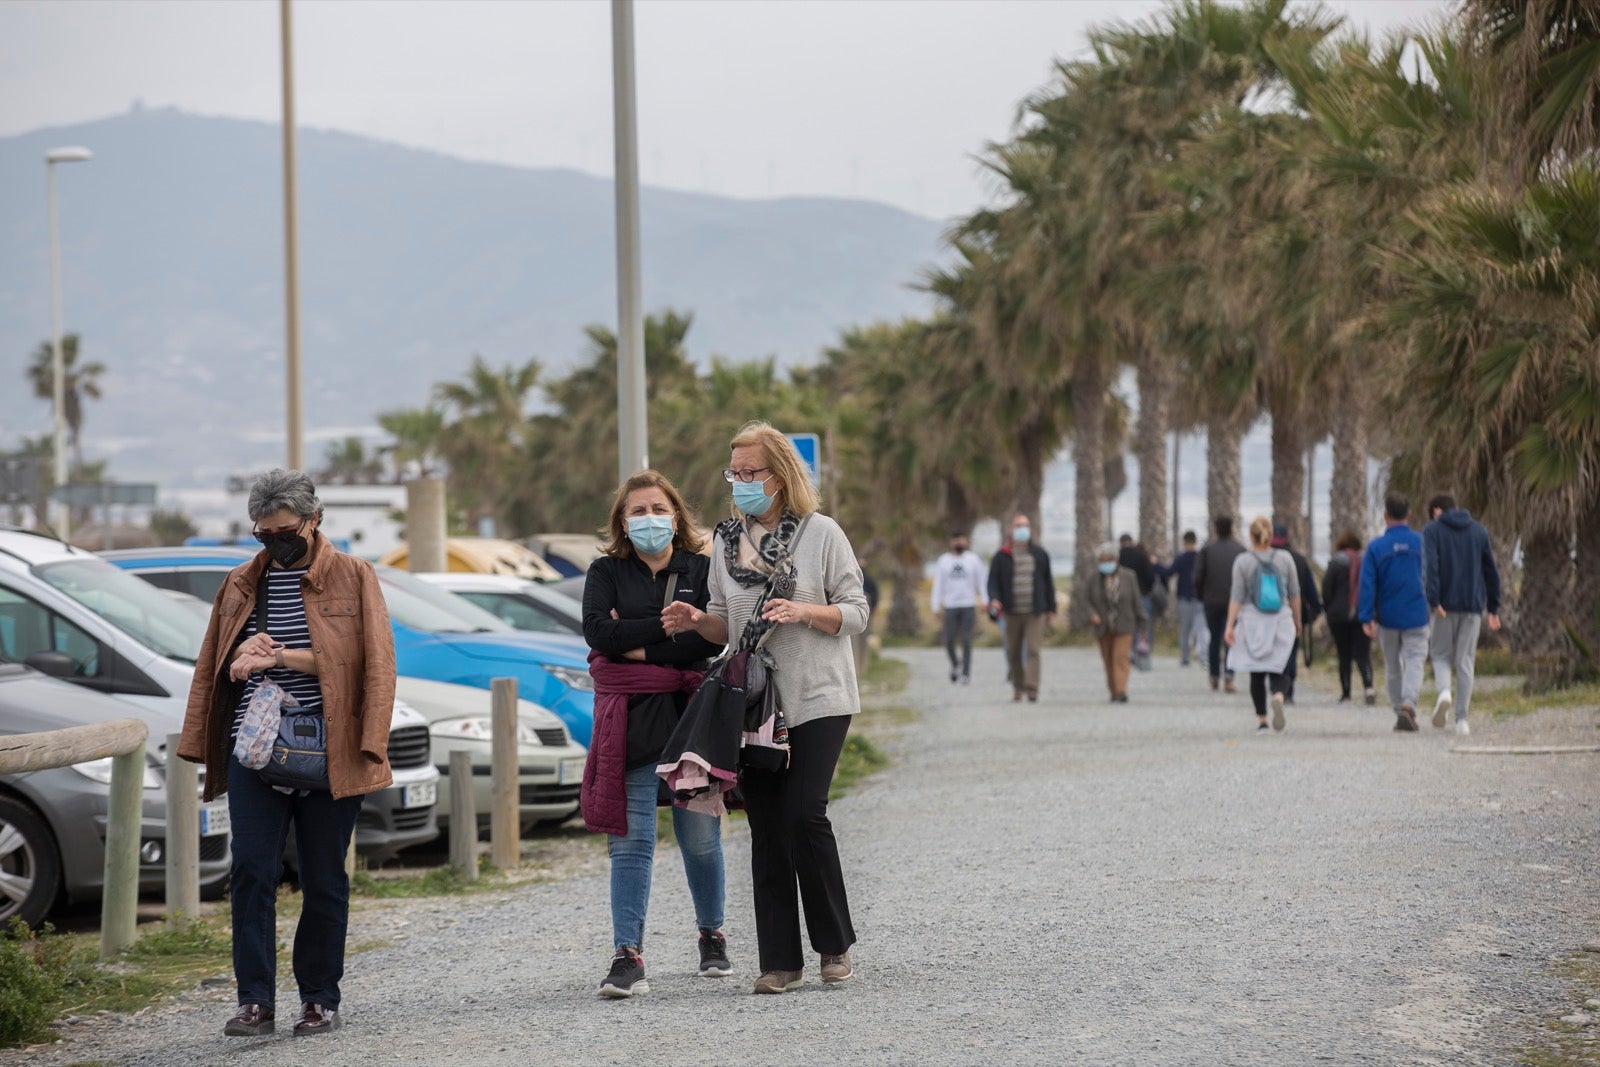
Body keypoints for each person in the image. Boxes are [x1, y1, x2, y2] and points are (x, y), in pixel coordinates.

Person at [178, 469, 395, 1038]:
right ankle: (255, 1002)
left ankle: (319, 998)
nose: (275, 542)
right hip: (256, 747)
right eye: (263, 533)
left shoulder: (354, 576)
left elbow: (371, 667)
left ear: (314, 519)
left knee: (323, 877)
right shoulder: (240, 584)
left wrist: (283, 659)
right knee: (251, 870)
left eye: (285, 530)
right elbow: (216, 669)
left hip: (331, 749)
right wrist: (243, 655)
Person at [662, 421, 870, 995]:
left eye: (753, 472)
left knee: (806, 813)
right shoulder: (723, 543)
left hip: (820, 694)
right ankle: (780, 962)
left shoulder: (822, 533)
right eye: (736, 473)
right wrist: (696, 622)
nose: (743, 482)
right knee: (768, 827)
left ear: (781, 476)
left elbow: (855, 611)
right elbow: (724, 623)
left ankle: (833, 946)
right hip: (753, 702)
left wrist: (803, 611)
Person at [580, 470, 728, 999]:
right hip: (631, 720)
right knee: (631, 841)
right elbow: (599, 634)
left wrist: (635, 642)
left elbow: (714, 640)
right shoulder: (605, 571)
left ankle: (713, 935)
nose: (649, 519)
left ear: (676, 514)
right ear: (622, 520)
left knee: (699, 838)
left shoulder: (704, 569)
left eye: (657, 509)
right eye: (637, 511)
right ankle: (628, 954)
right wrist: (671, 628)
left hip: (692, 719)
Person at [1422, 494, 1502, 736]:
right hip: (1472, 607)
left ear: (1437, 510)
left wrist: (1434, 601)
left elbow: (1432, 567)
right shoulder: (1478, 531)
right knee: (1465, 661)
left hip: (1444, 607)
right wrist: (1494, 608)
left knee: (1440, 655)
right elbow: (1491, 570)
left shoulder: (1432, 530)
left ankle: (1444, 691)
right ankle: (1461, 721)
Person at [1359, 493, 1431, 732]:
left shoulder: (1376, 547)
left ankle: (1399, 710)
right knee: (1414, 660)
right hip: (1417, 612)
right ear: (1409, 514)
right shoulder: (1422, 543)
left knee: (1392, 665)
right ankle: (1409, 703)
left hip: (1387, 616)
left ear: (1385, 515)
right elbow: (1433, 576)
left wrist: (1366, 616)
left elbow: (1367, 584)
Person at [1225, 517, 1302, 732]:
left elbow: (1237, 596)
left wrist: (1229, 626)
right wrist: (1297, 620)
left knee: (1256, 672)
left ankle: (1262, 719)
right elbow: (1294, 593)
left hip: (1253, 620)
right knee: (1281, 667)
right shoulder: (1285, 559)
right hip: (1281, 619)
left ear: (1251, 536)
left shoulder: (1243, 561)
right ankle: (1278, 695)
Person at [987, 513, 1057, 702]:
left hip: (1035, 612)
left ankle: (1032, 687)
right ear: (1011, 529)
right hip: (1011, 612)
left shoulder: (1040, 554)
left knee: (1033, 649)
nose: (1022, 529)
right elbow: (992, 582)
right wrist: (994, 599)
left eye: (1025, 525)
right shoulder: (1002, 556)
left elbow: (1048, 583)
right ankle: (1018, 686)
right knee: (1014, 651)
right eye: (1018, 526)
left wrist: (1051, 608)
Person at [1082, 542, 1146, 703]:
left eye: (1109, 560)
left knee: (1120, 657)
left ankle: (1121, 691)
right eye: (1102, 561)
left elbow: (1136, 600)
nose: (1106, 564)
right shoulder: (1093, 579)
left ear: (1116, 560)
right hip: (1103, 626)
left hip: (1125, 624)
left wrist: (1142, 620)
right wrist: (1092, 614)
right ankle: (1113, 690)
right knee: (1108, 659)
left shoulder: (1129, 576)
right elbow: (1086, 600)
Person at [1321, 530, 1377, 705]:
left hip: (1339, 616)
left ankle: (1346, 694)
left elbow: (1326, 589)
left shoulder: (1335, 563)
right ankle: (1368, 687)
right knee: (1363, 654)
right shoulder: (1365, 562)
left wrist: (1329, 608)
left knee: (1343, 655)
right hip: (1362, 613)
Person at [1270, 523, 1322, 704]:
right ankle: (1288, 690)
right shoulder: (1298, 560)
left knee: (1272, 651)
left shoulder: (1263, 558)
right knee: (1290, 652)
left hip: (1267, 614)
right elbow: (1309, 589)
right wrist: (1315, 610)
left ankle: (1276, 688)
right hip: (1293, 614)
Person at [1193, 515, 1245, 693]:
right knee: (1230, 638)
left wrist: (1202, 596)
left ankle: (1214, 676)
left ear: (1215, 529)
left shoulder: (1207, 550)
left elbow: (1197, 577)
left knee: (1214, 639)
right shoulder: (1240, 550)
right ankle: (1229, 676)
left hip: (1211, 601)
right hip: (1234, 603)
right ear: (1231, 529)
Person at [931, 530, 986, 685]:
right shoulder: (944, 561)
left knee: (967, 639)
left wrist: (984, 600)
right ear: (951, 542)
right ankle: (956, 664)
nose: (959, 543)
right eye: (956, 540)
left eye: (961, 540)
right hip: (950, 606)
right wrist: (935, 606)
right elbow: (938, 585)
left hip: (968, 605)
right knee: (948, 640)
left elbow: (981, 582)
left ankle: (966, 673)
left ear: (966, 541)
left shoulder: (973, 560)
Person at [1157, 530, 1206, 667]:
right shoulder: (1201, 557)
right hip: (1200, 599)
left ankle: (1185, 658)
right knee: (1201, 629)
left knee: (1185, 630)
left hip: (1184, 598)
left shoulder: (1181, 558)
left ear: (1184, 542)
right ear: (1195, 541)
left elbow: (1168, 572)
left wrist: (1155, 565)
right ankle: (1204, 657)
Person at [1118, 534, 1156, 670]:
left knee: (1127, 625)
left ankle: (1126, 653)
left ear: (1121, 543)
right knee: (1144, 625)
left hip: (1123, 598)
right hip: (1142, 595)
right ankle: (1142, 653)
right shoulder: (1141, 556)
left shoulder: (1118, 557)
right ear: (1131, 542)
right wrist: (1149, 589)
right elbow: (1151, 575)